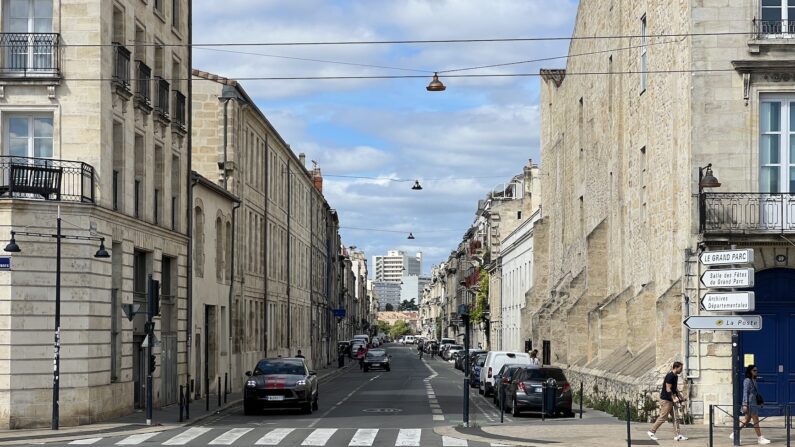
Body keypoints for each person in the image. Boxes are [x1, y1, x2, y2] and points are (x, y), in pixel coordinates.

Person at [730, 365, 771, 445]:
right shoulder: (747, 380)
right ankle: (760, 438)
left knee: (747, 420)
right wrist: (745, 404)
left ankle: (734, 434)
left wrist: (760, 402)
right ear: (750, 371)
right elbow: (745, 393)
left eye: (756, 370)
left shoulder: (753, 380)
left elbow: (756, 393)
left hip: (753, 402)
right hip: (749, 403)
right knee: (756, 420)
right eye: (754, 370)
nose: (756, 372)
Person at [648, 361, 688, 442]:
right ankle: (651, 431)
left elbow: (674, 389)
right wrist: (673, 398)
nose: (681, 370)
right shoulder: (670, 376)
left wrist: (680, 397)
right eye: (680, 368)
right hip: (666, 400)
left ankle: (677, 435)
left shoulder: (675, 376)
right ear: (676, 368)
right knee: (663, 417)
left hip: (672, 400)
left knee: (676, 417)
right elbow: (668, 388)